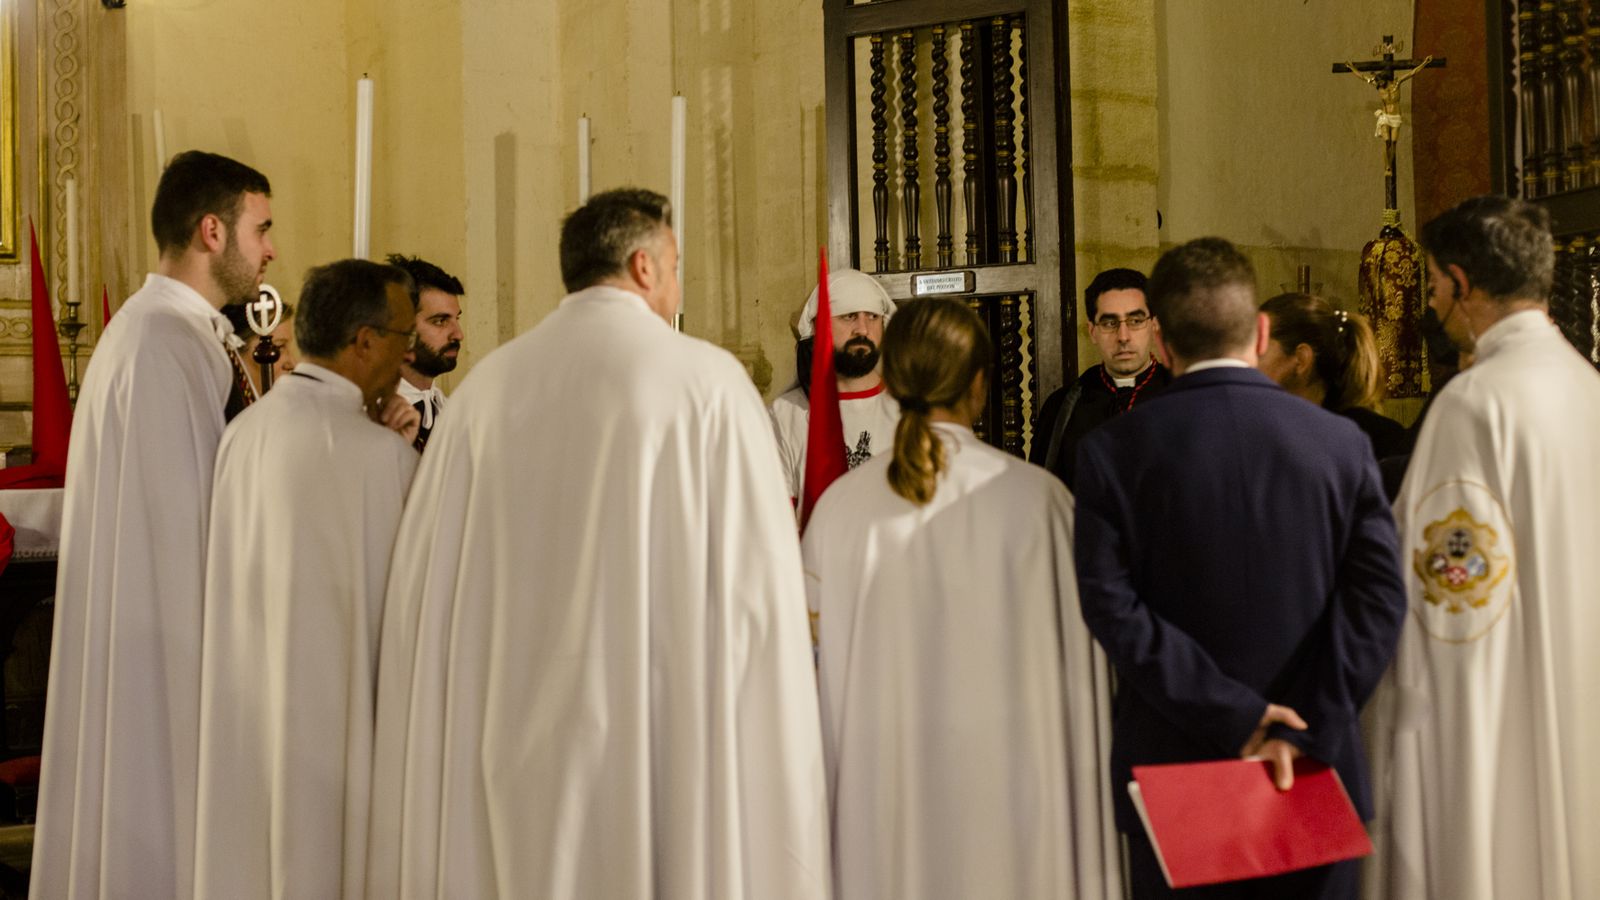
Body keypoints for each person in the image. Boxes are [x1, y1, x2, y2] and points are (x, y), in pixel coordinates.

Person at [366, 188, 829, 898]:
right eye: (676, 266)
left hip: (513, 749)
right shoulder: (707, 384)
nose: (679, 285)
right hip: (663, 746)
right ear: (645, 267)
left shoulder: (486, 396)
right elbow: (756, 594)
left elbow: (429, 599)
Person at [1073, 237, 1406, 899]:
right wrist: (1297, 723)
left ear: (1162, 342)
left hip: (1177, 763)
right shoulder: (1340, 442)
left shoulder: (1114, 450)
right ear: (1257, 332)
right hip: (1309, 769)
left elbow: (1112, 606)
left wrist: (1238, 715)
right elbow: (1377, 599)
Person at [804, 297, 1120, 900]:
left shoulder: (840, 512)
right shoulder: (1039, 502)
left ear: (892, 384)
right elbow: (1082, 675)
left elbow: (812, 677)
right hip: (1014, 805)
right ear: (980, 384)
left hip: (882, 805)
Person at [31, 150, 275, 900]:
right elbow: (188, 532)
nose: (270, 249)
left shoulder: (170, 333)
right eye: (260, 229)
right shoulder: (165, 345)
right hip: (171, 652)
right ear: (212, 231)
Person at [1366, 196, 1600, 900]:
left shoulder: (1476, 402)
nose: (1431, 302)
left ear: (1461, 285)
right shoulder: (1584, 386)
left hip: (1495, 709)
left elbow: (1448, 596)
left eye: (1433, 285)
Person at [193, 259, 419, 899]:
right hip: (337, 741)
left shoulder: (244, 434)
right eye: (403, 338)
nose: (405, 360)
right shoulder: (382, 459)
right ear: (366, 340)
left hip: (248, 712)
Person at [1030, 268, 1171, 487]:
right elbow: (1042, 496)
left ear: (1154, 325)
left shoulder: (1185, 394)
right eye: (1109, 323)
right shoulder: (1061, 407)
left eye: (1135, 320)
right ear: (1092, 331)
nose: (1123, 337)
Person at [770, 268, 898, 504]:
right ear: (818, 328)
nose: (863, 329)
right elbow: (777, 517)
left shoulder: (910, 410)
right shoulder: (786, 415)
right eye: (849, 316)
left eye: (872, 316)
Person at [1257, 292, 1408, 459]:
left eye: (1259, 350)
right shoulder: (1267, 430)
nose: (1247, 361)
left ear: (1301, 359)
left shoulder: (1371, 440)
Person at [386, 254, 465, 452]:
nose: (458, 334)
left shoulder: (454, 415)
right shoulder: (370, 417)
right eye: (440, 321)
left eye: (457, 319)